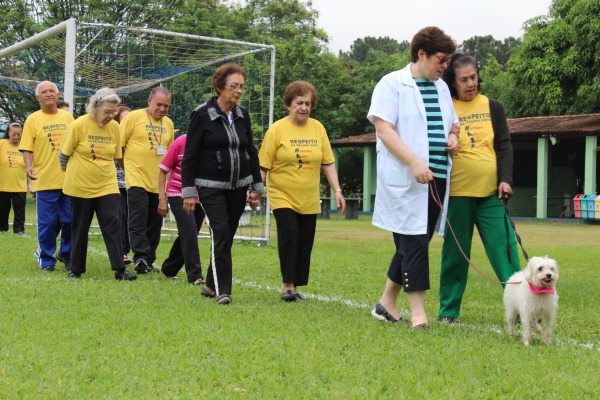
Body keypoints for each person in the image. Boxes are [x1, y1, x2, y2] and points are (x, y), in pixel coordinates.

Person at [367, 27, 459, 329]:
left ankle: (386, 304)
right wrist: (414, 163)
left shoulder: (442, 87)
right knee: (415, 242)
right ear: (421, 54)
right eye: (441, 60)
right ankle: (419, 314)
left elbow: (453, 124)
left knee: (413, 241)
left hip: (437, 177)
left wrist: (453, 137)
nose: (444, 66)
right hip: (407, 179)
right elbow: (384, 129)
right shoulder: (391, 84)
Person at [437, 53, 521, 323]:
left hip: (491, 195)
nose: (471, 83)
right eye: (464, 79)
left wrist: (505, 179)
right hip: (457, 194)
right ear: (453, 82)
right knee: (455, 255)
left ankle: (521, 310)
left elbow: (505, 146)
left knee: (505, 250)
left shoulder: (493, 106)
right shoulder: (444, 106)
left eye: (473, 77)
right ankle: (448, 312)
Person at [181, 63, 265, 305]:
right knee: (220, 232)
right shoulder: (201, 114)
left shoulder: (243, 115)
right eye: (233, 86)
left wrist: (256, 187)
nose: (238, 91)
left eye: (241, 87)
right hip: (210, 185)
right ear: (219, 87)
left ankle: (209, 285)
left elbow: (250, 150)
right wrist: (188, 192)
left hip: (238, 186)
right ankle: (223, 290)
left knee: (225, 237)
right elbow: (190, 156)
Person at [259, 81, 346, 302]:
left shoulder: (318, 128)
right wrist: (256, 191)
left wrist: (337, 190)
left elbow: (327, 162)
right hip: (282, 194)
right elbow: (264, 166)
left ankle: (295, 285)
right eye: (299, 103)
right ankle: (287, 285)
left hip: (308, 196)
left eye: (307, 103)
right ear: (289, 104)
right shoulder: (277, 129)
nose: (304, 108)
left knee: (304, 241)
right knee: (289, 235)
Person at [59, 88, 137, 280]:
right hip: (80, 185)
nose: (111, 116)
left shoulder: (115, 128)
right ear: (95, 107)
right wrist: (71, 174)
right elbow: (64, 155)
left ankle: (120, 269)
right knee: (80, 226)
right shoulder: (79, 125)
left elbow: (118, 157)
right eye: (107, 112)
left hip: (107, 184)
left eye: (114, 112)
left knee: (113, 223)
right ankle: (75, 269)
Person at [20, 81, 74, 272]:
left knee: (71, 221)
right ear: (38, 97)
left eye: (52, 90)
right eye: (44, 92)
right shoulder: (33, 119)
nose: (49, 94)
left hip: (69, 180)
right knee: (48, 223)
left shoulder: (68, 118)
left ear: (58, 94)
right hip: (44, 180)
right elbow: (26, 147)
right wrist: (29, 168)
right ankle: (46, 258)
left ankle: (66, 254)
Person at [120, 87, 174, 274]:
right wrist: (127, 167)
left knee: (155, 222)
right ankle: (140, 256)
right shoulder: (133, 117)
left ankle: (149, 261)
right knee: (138, 218)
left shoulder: (168, 123)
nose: (162, 109)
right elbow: (119, 145)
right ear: (149, 101)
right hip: (136, 177)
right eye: (159, 104)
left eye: (166, 106)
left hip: (158, 182)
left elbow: (169, 154)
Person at [158, 134, 205, 285]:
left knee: (188, 232)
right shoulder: (181, 142)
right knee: (189, 231)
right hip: (178, 193)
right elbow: (163, 171)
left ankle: (169, 268)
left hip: (201, 196)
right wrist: (162, 199)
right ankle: (195, 275)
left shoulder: (212, 142)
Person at [0, 122, 27, 234]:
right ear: (8, 133)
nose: (16, 137)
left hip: (20, 186)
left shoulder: (25, 146)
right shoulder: (1, 144)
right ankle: (2, 229)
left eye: (19, 134)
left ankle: (19, 230)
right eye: (14, 134)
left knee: (20, 211)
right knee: (2, 210)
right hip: (3, 186)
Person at [114, 105, 132, 265]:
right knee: (121, 217)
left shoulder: (134, 138)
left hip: (134, 184)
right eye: (124, 119)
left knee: (131, 219)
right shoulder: (113, 137)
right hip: (116, 184)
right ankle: (122, 252)